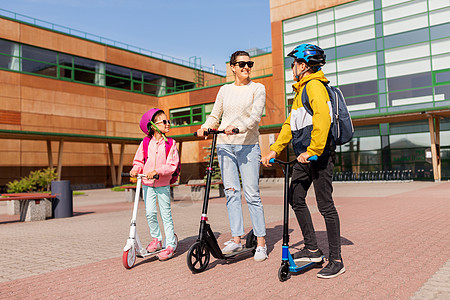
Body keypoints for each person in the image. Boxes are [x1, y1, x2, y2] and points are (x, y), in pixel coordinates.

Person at [261, 44, 345, 278]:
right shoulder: (300, 92)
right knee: (295, 197)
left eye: (294, 64)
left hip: (319, 156)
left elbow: (323, 119)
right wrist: (275, 150)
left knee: (325, 205)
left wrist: (314, 150)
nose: (292, 68)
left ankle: (336, 259)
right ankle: (312, 249)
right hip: (304, 157)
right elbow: (289, 125)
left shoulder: (315, 86)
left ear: (304, 66)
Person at [196, 50, 268, 262]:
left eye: (249, 64)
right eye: (242, 64)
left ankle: (261, 242)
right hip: (225, 146)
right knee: (231, 192)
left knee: (252, 194)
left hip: (248, 145)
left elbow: (255, 118)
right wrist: (205, 128)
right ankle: (236, 238)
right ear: (233, 67)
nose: (246, 67)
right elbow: (214, 115)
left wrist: (238, 127)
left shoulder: (258, 88)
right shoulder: (225, 90)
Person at [130, 108, 180, 261]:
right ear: (153, 126)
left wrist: (157, 171)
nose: (168, 124)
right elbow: (139, 160)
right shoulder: (145, 143)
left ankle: (170, 244)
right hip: (147, 184)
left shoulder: (170, 144)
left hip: (162, 184)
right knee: (150, 213)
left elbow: (172, 164)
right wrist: (135, 169)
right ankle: (156, 239)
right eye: (164, 121)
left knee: (166, 214)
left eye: (168, 121)